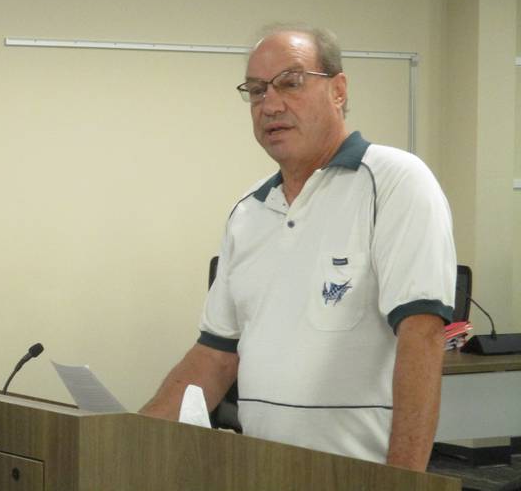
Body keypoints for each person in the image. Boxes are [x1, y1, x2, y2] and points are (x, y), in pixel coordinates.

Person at [140, 24, 456, 472]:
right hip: (261, 471)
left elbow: (421, 337)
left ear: (339, 90)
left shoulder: (395, 182)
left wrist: (402, 482)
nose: (270, 105)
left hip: (359, 476)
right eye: (255, 91)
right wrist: (127, 439)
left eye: (290, 82)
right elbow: (215, 355)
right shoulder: (248, 212)